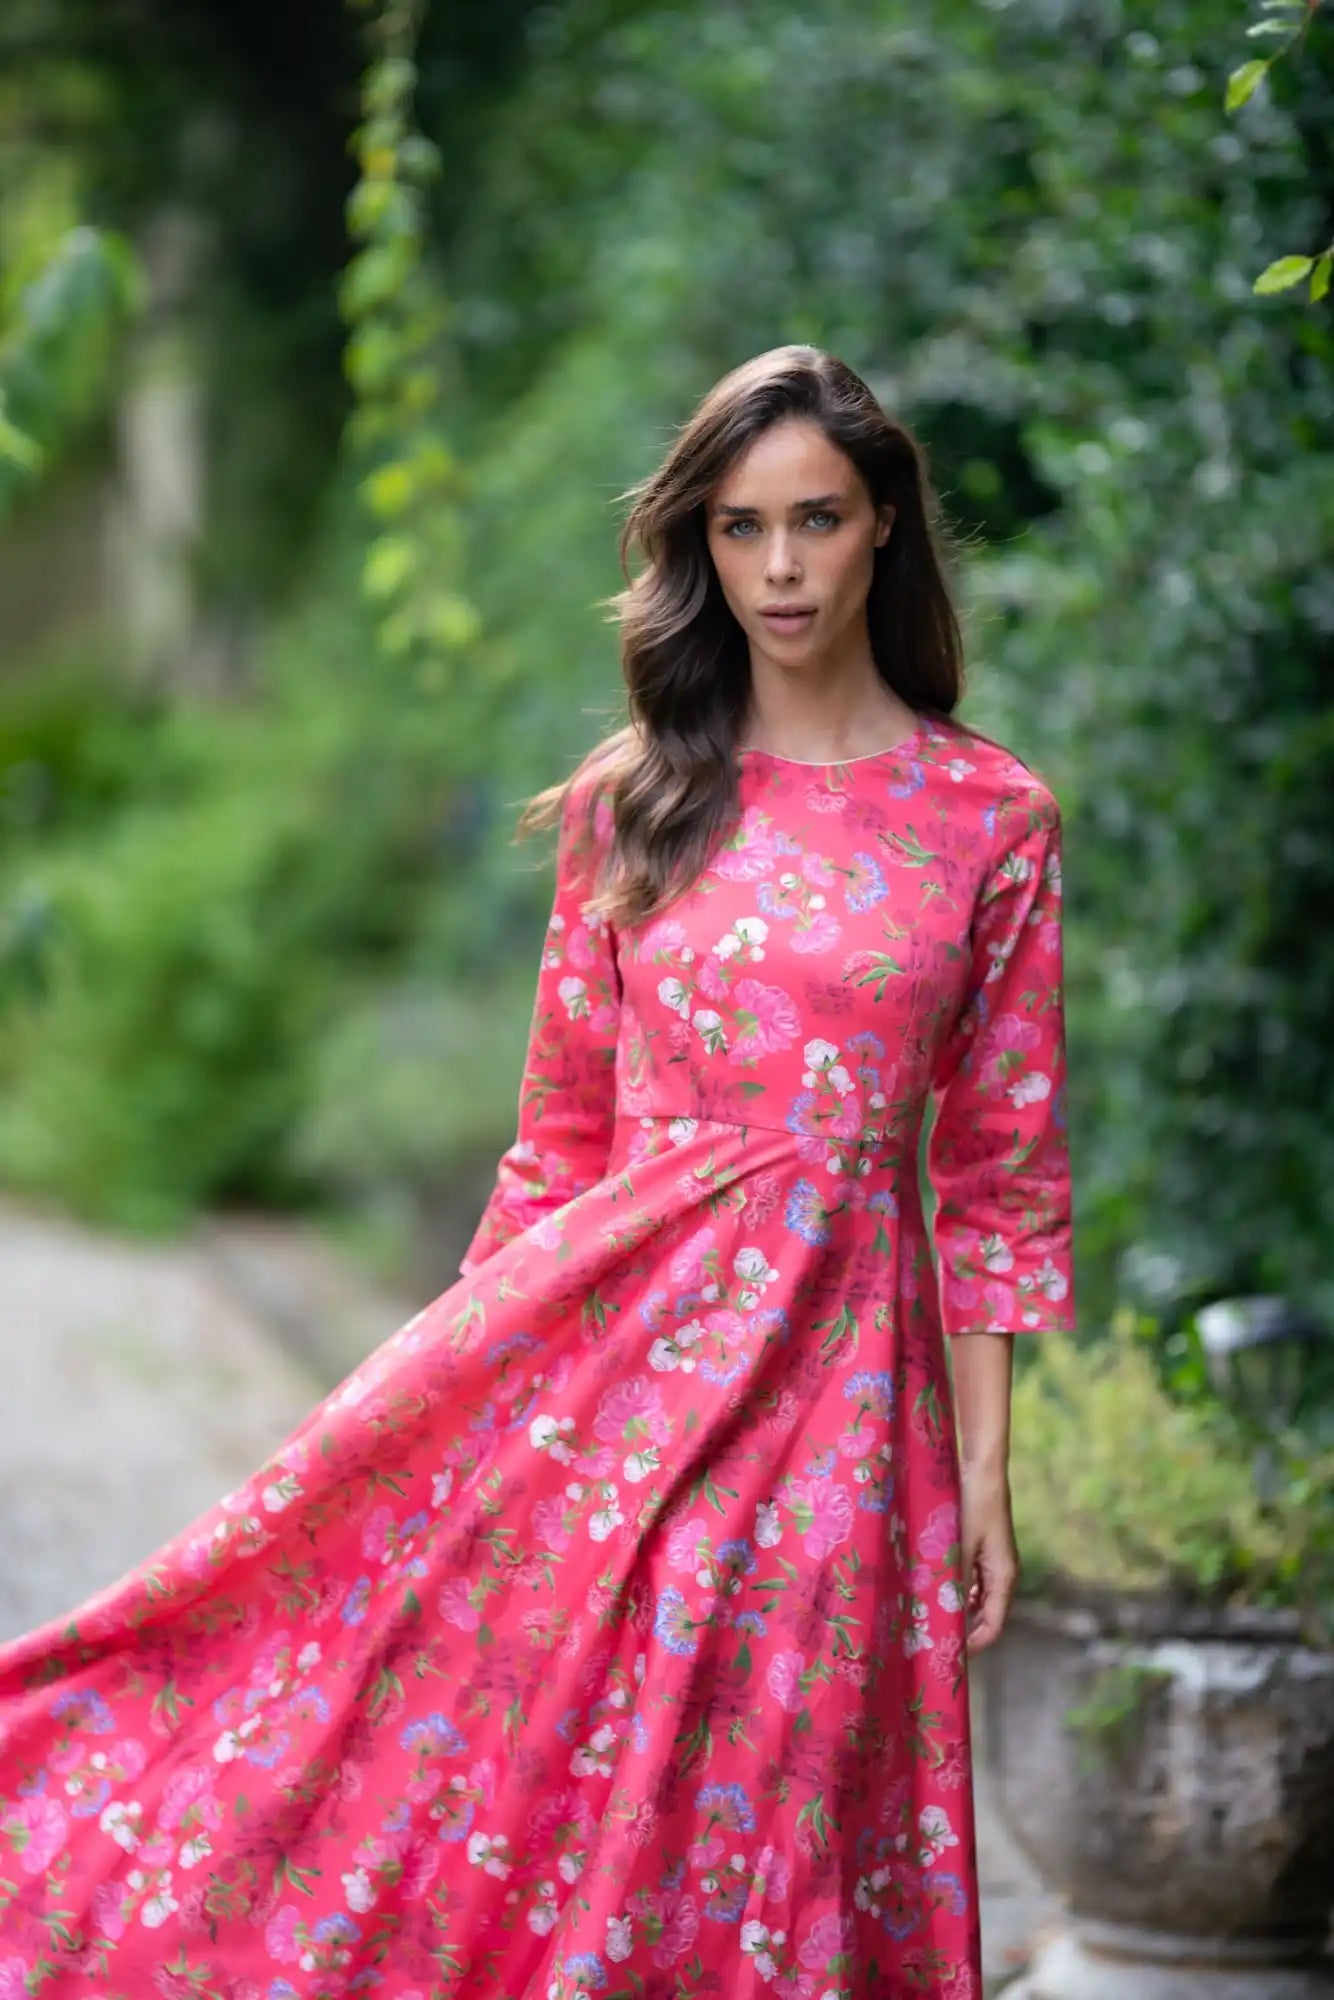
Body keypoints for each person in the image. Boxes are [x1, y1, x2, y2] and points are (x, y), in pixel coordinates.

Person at [0, 344, 1073, 2000]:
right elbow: (560, 1139)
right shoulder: (633, 805)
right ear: (697, 548)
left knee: (779, 1788)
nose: (778, 568)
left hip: (848, 1406)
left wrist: (985, 1477)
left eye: (815, 522)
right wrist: (463, 1402)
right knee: (554, 1767)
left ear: (883, 532)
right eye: (737, 528)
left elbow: (999, 1176)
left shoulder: (988, 819)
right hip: (612, 1381)